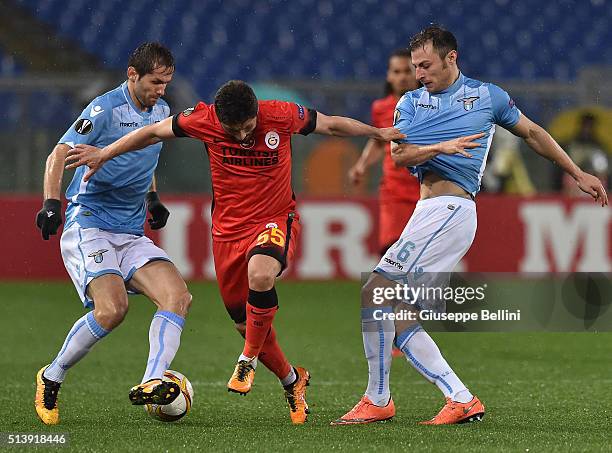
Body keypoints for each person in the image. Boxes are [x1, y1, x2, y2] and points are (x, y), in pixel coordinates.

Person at [64, 80, 480, 423]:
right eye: (235, 131)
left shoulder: (280, 114)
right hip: (227, 232)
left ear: (256, 114)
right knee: (246, 323)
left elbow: (332, 125)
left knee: (261, 276)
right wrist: (104, 151)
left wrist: (377, 133)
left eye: (248, 127)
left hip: (274, 218)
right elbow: (151, 133)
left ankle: (245, 361)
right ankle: (291, 379)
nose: (243, 136)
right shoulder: (203, 120)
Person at [332, 25, 607, 426]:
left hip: (452, 209)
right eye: (414, 66)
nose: (419, 73)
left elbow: (531, 132)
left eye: (425, 65)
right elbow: (399, 156)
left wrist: (577, 172)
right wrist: (439, 148)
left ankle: (378, 399)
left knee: (376, 292)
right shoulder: (409, 102)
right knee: (401, 311)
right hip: (427, 212)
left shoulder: (486, 97)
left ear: (451, 57)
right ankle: (459, 398)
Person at [34, 43, 192, 425]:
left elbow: (143, 154)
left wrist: (153, 198)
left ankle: (152, 379)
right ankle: (51, 375)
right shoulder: (104, 109)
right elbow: (57, 154)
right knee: (112, 309)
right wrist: (51, 203)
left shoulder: (161, 110)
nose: (162, 90)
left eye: (167, 83)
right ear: (132, 74)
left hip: (130, 229)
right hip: (91, 224)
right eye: (156, 82)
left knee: (177, 296)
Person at [348, 48, 421, 256]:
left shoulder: (431, 104)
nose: (402, 77)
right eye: (396, 72)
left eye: (407, 71)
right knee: (392, 253)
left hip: (425, 190)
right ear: (389, 76)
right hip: (394, 190)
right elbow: (378, 142)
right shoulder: (381, 107)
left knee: (421, 257)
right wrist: (361, 165)